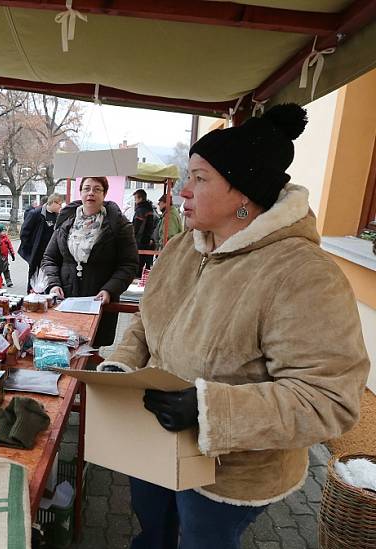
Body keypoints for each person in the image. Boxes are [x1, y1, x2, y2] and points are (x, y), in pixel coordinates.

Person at [102, 104, 369, 549]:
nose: (183, 191)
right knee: (152, 533)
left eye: (199, 178)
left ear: (243, 194)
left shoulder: (303, 274)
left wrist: (209, 409)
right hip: (153, 440)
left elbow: (329, 400)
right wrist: (119, 368)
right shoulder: (181, 248)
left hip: (229, 476)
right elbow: (146, 325)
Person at [41, 177, 138, 345]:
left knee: (90, 350)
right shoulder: (66, 221)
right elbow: (49, 258)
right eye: (86, 188)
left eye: (97, 189)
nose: (91, 193)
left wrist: (109, 290)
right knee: (61, 344)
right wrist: (54, 284)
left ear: (105, 193)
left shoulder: (119, 225)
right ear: (80, 192)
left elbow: (128, 264)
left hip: (98, 301)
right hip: (65, 300)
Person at [19, 194, 64, 291]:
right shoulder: (36, 213)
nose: (60, 207)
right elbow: (24, 233)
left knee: (48, 276)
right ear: (53, 202)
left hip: (50, 253)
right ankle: (31, 298)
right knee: (34, 276)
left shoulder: (58, 216)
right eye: (59, 204)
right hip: (37, 252)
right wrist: (31, 251)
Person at [132, 189, 156, 274]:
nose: (135, 201)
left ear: (140, 198)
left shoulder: (141, 210)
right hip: (146, 239)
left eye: (135, 198)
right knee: (143, 262)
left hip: (140, 240)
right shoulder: (149, 209)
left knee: (138, 262)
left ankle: (137, 275)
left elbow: (136, 226)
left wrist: (131, 236)